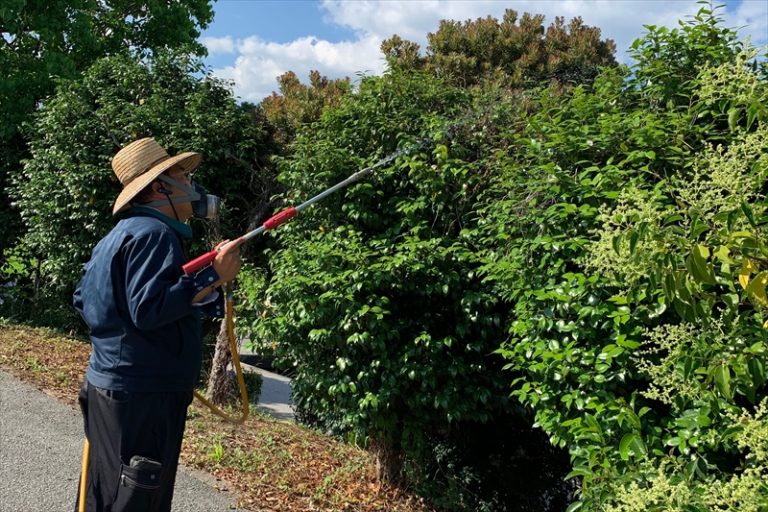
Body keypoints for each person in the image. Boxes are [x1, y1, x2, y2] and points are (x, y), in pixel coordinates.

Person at [73, 137, 242, 511]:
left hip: (110, 388)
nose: (192, 185)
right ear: (158, 187)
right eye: (183, 176)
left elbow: (84, 299)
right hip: (144, 398)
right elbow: (149, 308)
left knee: (106, 493)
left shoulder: (119, 235)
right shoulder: (156, 235)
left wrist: (201, 287)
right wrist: (212, 276)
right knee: (136, 498)